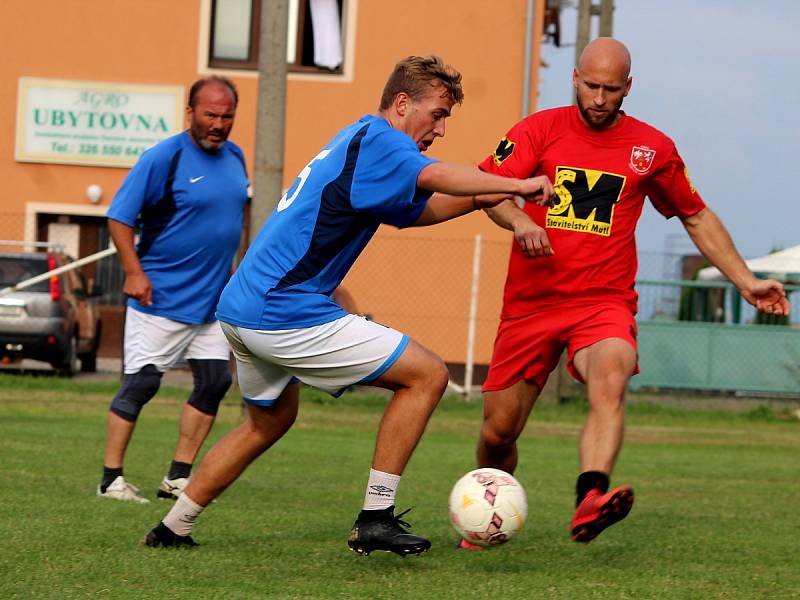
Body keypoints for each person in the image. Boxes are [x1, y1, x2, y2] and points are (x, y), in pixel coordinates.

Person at [143, 54, 554, 555]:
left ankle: (173, 527)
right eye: (438, 114)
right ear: (402, 104)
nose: (440, 129)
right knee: (426, 375)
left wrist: (484, 193)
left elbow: (419, 210)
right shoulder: (383, 140)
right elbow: (437, 177)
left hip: (242, 307)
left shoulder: (361, 143)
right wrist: (515, 184)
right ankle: (375, 516)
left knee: (265, 422)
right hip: (282, 309)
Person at [463, 38, 790, 547]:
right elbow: (485, 188)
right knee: (498, 433)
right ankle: (487, 515)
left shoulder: (652, 149)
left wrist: (746, 282)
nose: (598, 98)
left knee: (612, 372)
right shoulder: (538, 130)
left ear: (628, 88)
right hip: (532, 305)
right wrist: (518, 220)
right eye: (591, 86)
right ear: (575, 78)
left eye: (610, 90)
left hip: (602, 303)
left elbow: (695, 214)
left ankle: (590, 497)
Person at [97, 76, 249, 504]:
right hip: (159, 299)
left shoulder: (236, 157)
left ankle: (177, 477)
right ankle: (111, 480)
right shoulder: (163, 158)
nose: (219, 124)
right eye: (210, 115)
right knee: (142, 385)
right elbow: (119, 217)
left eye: (227, 116)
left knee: (214, 381)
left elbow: (229, 223)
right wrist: (133, 271)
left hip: (212, 303)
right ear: (190, 113)